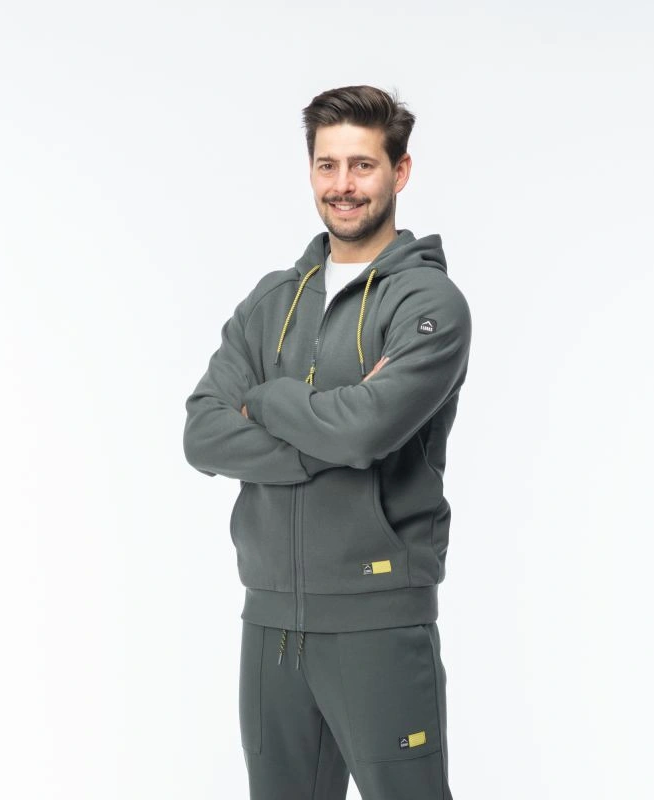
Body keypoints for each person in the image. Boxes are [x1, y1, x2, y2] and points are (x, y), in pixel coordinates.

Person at [183, 85, 471, 800]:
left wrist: (265, 402)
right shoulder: (271, 302)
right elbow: (203, 433)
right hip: (270, 623)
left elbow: (367, 428)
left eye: (363, 166)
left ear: (400, 171)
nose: (343, 185)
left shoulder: (428, 304)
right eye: (327, 165)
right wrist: (332, 432)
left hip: (380, 624)